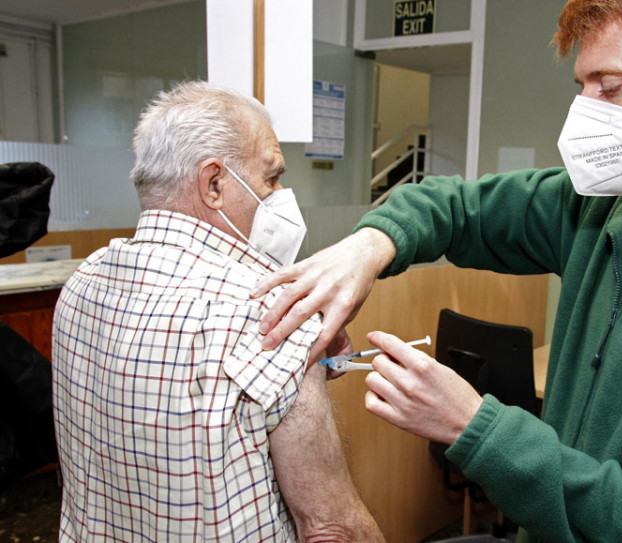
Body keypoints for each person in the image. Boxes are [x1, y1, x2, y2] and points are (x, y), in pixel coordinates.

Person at [252, 0, 622, 541]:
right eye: (582, 85)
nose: (585, 112)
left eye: (610, 87)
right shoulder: (608, 208)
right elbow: (458, 209)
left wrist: (475, 429)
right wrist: (370, 246)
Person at [52, 81, 383, 543]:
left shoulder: (80, 286)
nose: (282, 195)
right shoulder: (271, 312)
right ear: (213, 184)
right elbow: (331, 528)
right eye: (271, 177)